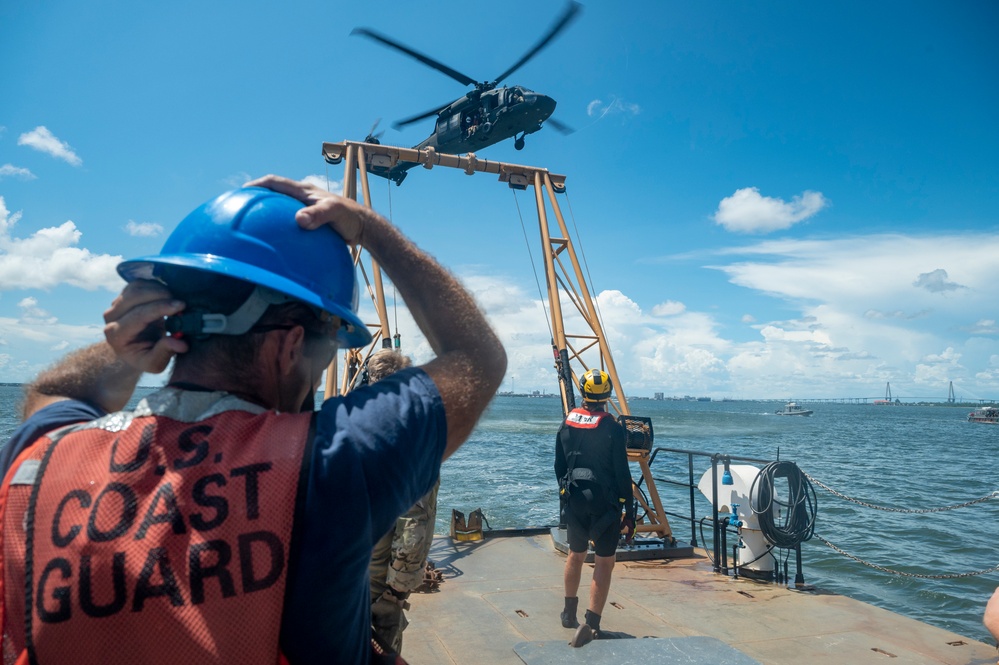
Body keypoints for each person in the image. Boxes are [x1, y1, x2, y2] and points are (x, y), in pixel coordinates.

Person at [0, 176, 506, 664]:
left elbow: (51, 393)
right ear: (289, 346)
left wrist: (126, 354)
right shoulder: (331, 465)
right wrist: (371, 230)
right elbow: (476, 359)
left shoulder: (42, 459)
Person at [366, 350, 441, 655]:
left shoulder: (353, 430)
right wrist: (396, 593)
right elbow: (414, 524)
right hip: (379, 587)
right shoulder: (412, 441)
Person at [554, 368, 635, 647]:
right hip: (603, 503)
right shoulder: (612, 428)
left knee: (575, 555)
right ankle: (592, 625)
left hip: (574, 498)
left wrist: (566, 496)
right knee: (604, 561)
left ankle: (568, 613)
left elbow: (559, 467)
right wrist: (629, 512)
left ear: (583, 394)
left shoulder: (566, 424)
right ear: (607, 395)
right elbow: (622, 475)